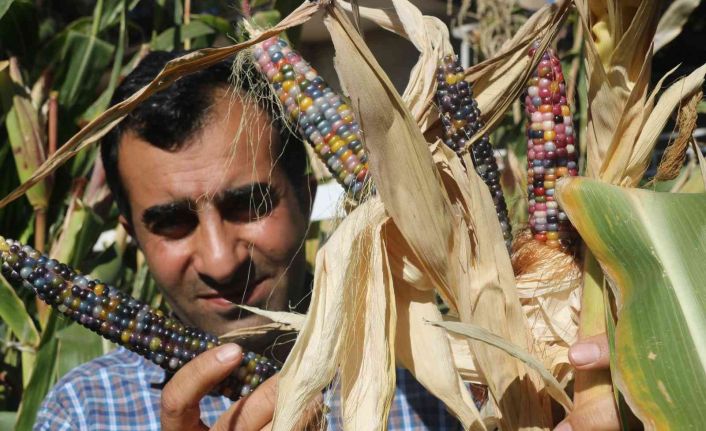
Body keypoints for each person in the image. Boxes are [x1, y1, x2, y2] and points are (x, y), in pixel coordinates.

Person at [33, 51, 468, 430]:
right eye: (172, 223)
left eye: (249, 205)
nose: (221, 262)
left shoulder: (454, 383)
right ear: (135, 237)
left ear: (306, 196)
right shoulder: (84, 412)